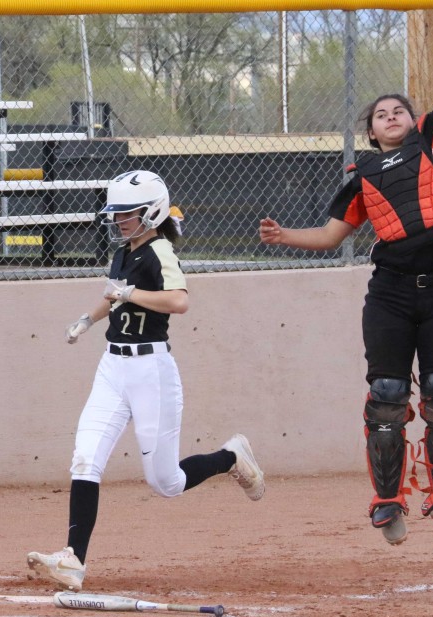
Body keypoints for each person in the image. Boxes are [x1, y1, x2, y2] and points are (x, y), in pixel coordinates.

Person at [259, 7, 433, 545]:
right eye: (381, 114)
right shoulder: (361, 176)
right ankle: (388, 499)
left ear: (414, 121)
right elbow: (330, 237)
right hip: (390, 296)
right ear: (370, 132)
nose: (391, 115)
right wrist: (285, 237)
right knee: (387, 395)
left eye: (399, 110)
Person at [26, 170, 264, 592]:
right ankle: (72, 560)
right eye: (117, 213)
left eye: (128, 213)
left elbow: (179, 301)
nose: (120, 220)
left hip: (150, 370)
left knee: (166, 483)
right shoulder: (123, 252)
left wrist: (129, 296)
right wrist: (88, 318)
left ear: (151, 212)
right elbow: (113, 293)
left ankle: (231, 456)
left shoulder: (160, 251)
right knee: (85, 458)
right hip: (112, 367)